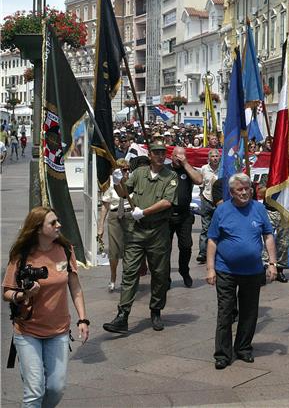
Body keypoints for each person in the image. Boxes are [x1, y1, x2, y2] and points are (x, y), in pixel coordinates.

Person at [2, 206, 89, 407]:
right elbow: (6, 293)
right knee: (34, 391)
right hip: (27, 331)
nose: (59, 225)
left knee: (55, 388)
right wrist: (23, 294)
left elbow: (75, 287)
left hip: (58, 331)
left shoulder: (66, 250)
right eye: (52, 223)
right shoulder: (22, 255)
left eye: (57, 221)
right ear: (38, 229)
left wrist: (83, 319)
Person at [103, 140, 178, 333]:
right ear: (150, 155)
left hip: (158, 231)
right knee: (129, 272)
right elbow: (123, 193)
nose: (160, 156)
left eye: (163, 153)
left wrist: (144, 212)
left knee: (160, 274)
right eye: (157, 153)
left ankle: (156, 310)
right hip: (136, 230)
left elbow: (167, 202)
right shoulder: (139, 173)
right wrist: (118, 180)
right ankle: (123, 315)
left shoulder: (171, 176)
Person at [206, 173, 277, 369]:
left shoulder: (259, 208)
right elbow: (212, 239)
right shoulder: (222, 211)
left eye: (247, 188)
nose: (245, 192)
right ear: (231, 192)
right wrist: (210, 268)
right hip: (225, 270)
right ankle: (222, 353)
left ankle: (244, 348)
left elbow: (268, 235)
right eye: (240, 189)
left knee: (249, 312)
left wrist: (272, 263)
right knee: (225, 312)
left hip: (253, 271)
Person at [167, 146, 203, 288]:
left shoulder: (188, 169)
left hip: (184, 216)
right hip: (167, 215)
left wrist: (186, 164)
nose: (179, 158)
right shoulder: (165, 169)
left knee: (186, 246)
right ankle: (166, 277)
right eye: (177, 156)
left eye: (182, 156)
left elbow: (199, 180)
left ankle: (184, 270)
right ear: (172, 156)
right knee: (165, 248)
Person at [97, 159, 131, 292]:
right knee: (114, 251)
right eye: (124, 169)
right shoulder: (110, 183)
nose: (126, 172)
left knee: (130, 250)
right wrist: (100, 226)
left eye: (128, 169)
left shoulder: (132, 181)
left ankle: (126, 278)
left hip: (129, 216)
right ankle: (113, 276)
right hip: (115, 217)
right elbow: (105, 206)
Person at [197, 149, 221, 263]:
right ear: (209, 158)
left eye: (217, 156)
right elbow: (201, 185)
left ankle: (218, 252)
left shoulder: (223, 169)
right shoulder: (204, 169)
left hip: (219, 202)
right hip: (207, 200)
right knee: (205, 228)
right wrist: (202, 197)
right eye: (213, 156)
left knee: (219, 227)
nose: (215, 158)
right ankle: (203, 253)